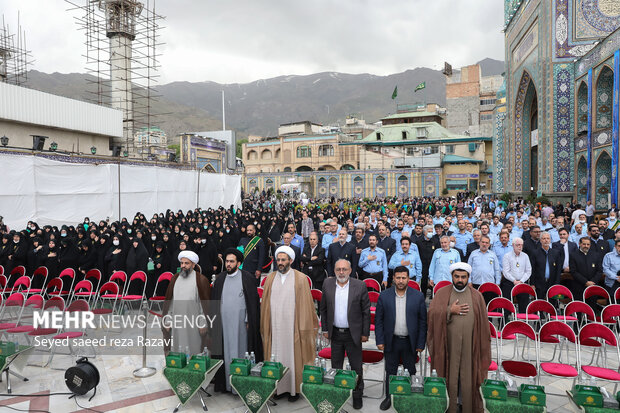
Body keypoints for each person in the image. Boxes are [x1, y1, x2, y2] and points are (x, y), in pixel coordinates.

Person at [427, 263, 491, 413]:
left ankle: (466, 406)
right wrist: (449, 310)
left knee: (468, 377)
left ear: (468, 278)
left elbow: (483, 323)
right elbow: (432, 314)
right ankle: (449, 406)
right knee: (450, 375)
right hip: (448, 345)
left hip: (471, 345)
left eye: (463, 277)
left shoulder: (477, 296)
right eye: (457, 276)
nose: (460, 280)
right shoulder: (442, 293)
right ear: (452, 277)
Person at [260, 245, 318, 402]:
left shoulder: (300, 278)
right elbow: (265, 305)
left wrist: (303, 327)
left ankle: (293, 390)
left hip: (293, 327)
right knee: (274, 356)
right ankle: (277, 388)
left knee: (293, 357)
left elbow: (306, 305)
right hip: (274, 327)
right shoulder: (270, 278)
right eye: (278, 260)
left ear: (290, 261)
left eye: (283, 260)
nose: (280, 262)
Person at [320, 259, 370, 409]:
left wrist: (365, 332)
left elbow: (365, 311)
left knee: (356, 367)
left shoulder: (359, 285)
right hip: (335, 333)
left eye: (344, 269)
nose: (341, 272)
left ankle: (357, 394)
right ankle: (339, 393)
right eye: (338, 269)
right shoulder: (327, 284)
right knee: (336, 366)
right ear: (334, 271)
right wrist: (325, 329)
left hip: (353, 334)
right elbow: (323, 309)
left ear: (350, 270)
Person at [211, 248, 263, 393]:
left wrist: (248, 320)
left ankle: (241, 385)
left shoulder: (247, 278)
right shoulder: (220, 278)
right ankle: (226, 385)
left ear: (238, 263)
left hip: (241, 324)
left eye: (231, 261)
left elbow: (252, 304)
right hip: (223, 325)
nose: (228, 264)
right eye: (227, 261)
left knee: (241, 353)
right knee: (225, 353)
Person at [375, 266, 427, 411]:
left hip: (410, 342)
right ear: (393, 278)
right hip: (391, 341)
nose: (401, 281)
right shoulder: (384, 296)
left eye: (404, 278)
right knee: (390, 370)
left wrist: (420, 343)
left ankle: (408, 397)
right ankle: (389, 397)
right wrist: (379, 340)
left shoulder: (418, 296)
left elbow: (423, 322)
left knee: (410, 370)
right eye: (398, 278)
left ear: (408, 279)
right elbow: (378, 321)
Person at [161, 250, 211, 355]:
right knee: (177, 350)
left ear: (193, 264)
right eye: (182, 263)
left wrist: (203, 323)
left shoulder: (201, 280)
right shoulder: (175, 279)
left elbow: (204, 305)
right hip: (177, 324)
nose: (183, 266)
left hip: (193, 324)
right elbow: (170, 302)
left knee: (195, 350)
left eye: (186, 263)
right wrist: (168, 320)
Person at [570, 238, 603, 307]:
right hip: (579, 286)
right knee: (579, 308)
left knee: (591, 309)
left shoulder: (596, 255)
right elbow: (573, 271)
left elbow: (599, 271)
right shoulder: (573, 255)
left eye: (588, 244)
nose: (586, 246)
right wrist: (585, 282)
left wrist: (592, 282)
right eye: (584, 244)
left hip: (593, 286)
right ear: (579, 244)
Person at [501, 238, 532, 313]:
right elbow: (505, 271)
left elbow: (528, 271)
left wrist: (521, 281)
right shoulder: (507, 256)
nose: (520, 247)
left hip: (522, 282)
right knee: (507, 304)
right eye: (518, 245)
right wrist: (514, 281)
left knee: (524, 305)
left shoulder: (525, 256)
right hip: (509, 282)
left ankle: (523, 322)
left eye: (521, 245)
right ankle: (506, 321)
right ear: (513, 245)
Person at [530, 232, 562, 299]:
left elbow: (558, 270)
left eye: (548, 238)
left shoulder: (556, 253)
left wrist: (557, 284)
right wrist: (532, 284)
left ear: (550, 240)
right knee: (539, 304)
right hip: (539, 283)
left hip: (552, 283)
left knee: (553, 304)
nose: (546, 240)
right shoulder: (535, 253)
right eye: (544, 238)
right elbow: (533, 269)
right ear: (540, 240)